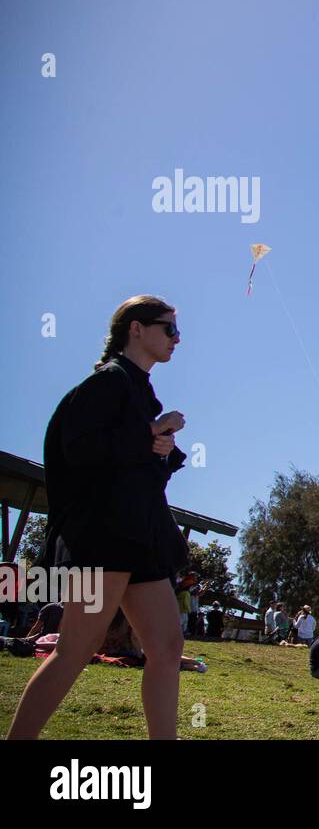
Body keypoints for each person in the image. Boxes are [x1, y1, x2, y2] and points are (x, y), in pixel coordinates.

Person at [7, 297, 189, 741]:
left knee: (166, 647)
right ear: (136, 329)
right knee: (75, 648)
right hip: (103, 538)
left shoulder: (143, 392)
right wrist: (148, 432)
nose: (176, 339)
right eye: (168, 329)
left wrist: (161, 452)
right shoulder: (107, 383)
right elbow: (79, 450)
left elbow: (131, 465)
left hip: (137, 539)